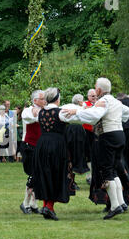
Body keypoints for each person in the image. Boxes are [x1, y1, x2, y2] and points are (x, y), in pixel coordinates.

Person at [62, 78, 129, 220]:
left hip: (108, 136)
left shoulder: (104, 101)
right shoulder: (116, 101)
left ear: (99, 90)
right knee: (114, 169)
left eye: (95, 88)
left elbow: (93, 116)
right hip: (120, 135)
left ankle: (115, 206)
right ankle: (121, 203)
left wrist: (75, 112)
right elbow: (127, 113)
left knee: (106, 170)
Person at [31, 88, 81, 221]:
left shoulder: (40, 112)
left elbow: (31, 115)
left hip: (42, 144)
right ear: (57, 99)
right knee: (56, 174)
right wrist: (78, 110)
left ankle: (46, 206)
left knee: (44, 173)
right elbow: (79, 119)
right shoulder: (61, 113)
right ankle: (49, 207)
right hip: (56, 145)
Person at [20, 90, 46, 215]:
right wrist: (37, 114)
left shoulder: (45, 110)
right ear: (35, 100)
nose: (44, 100)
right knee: (33, 175)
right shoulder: (28, 110)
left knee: (39, 176)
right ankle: (25, 203)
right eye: (42, 98)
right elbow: (28, 117)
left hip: (40, 147)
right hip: (30, 146)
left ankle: (33, 203)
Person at [65, 94, 90, 182]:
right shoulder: (82, 108)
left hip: (70, 130)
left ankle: (71, 177)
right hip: (77, 130)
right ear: (79, 101)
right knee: (77, 152)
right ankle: (72, 177)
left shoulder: (68, 106)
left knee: (71, 153)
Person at [83, 89, 97, 184]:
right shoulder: (85, 104)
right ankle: (89, 176)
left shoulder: (99, 103)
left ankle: (96, 175)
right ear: (88, 96)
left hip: (97, 132)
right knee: (88, 154)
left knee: (96, 154)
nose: (94, 98)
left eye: (95, 96)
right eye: (92, 96)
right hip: (87, 132)